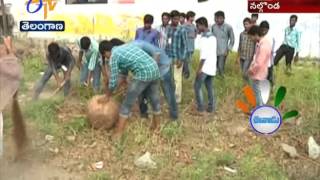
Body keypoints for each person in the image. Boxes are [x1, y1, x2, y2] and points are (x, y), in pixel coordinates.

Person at [101, 41, 161, 140]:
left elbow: (113, 81)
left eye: (105, 56)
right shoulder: (125, 48)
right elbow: (123, 74)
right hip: (154, 69)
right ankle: (157, 128)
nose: (107, 58)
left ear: (105, 52)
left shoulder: (114, 56)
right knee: (155, 100)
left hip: (143, 73)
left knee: (126, 104)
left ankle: (118, 134)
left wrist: (107, 95)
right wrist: (122, 84)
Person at [109, 38, 178, 120]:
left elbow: (157, 54)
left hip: (162, 66)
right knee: (141, 92)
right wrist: (114, 88)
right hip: (147, 71)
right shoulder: (124, 54)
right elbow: (123, 75)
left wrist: (150, 71)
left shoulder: (138, 44)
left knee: (168, 93)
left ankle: (174, 116)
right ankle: (144, 115)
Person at [194, 17, 217, 115]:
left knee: (197, 86)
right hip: (212, 66)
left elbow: (203, 56)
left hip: (205, 67)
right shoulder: (213, 36)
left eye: (198, 26)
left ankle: (200, 108)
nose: (197, 28)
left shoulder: (204, 38)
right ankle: (211, 108)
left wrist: (199, 69)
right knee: (209, 87)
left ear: (203, 25)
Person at [165, 10, 188, 104]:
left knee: (177, 79)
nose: (176, 20)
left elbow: (185, 46)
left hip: (178, 58)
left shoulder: (182, 29)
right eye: (174, 19)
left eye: (178, 19)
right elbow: (168, 42)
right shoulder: (169, 28)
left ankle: (177, 99)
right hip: (169, 57)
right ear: (171, 19)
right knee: (169, 78)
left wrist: (182, 59)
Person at [247, 25, 272, 106]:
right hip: (261, 72)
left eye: (251, 37)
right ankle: (259, 109)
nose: (251, 39)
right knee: (259, 92)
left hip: (259, 73)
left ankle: (259, 109)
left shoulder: (263, 45)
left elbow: (259, 63)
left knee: (257, 92)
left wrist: (251, 70)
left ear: (256, 34)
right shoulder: (263, 43)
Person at [211, 11, 235, 77]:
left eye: (218, 18)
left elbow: (232, 39)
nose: (216, 19)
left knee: (220, 67)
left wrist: (229, 48)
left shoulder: (228, 27)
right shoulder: (213, 26)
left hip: (223, 51)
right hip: (214, 51)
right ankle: (216, 80)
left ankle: (222, 78)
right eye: (215, 18)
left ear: (223, 18)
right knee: (214, 67)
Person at [237, 17, 256, 82]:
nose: (246, 26)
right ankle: (246, 87)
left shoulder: (253, 34)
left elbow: (256, 46)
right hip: (242, 56)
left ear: (250, 24)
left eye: (247, 24)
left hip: (249, 57)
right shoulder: (241, 34)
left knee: (244, 72)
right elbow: (239, 45)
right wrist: (238, 57)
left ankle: (247, 89)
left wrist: (254, 57)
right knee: (244, 73)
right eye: (244, 24)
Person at [259, 21, 276, 87]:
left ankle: (271, 89)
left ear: (268, 29)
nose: (264, 31)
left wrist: (272, 62)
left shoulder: (271, 38)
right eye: (262, 29)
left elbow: (272, 51)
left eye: (265, 29)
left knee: (268, 78)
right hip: (260, 63)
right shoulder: (259, 37)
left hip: (268, 63)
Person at [182, 11, 197, 79]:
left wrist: (192, 35)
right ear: (189, 17)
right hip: (186, 46)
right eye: (192, 16)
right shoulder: (185, 25)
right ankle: (186, 75)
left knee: (189, 61)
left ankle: (185, 75)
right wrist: (190, 35)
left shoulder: (193, 25)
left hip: (192, 46)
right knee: (185, 61)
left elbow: (196, 34)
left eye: (194, 16)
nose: (193, 18)